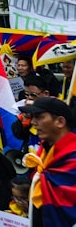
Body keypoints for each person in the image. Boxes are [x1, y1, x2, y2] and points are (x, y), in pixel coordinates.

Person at [17, 96, 76, 227]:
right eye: (32, 117)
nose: (33, 122)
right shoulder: (42, 152)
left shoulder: (73, 156)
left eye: (39, 117)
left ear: (60, 122)